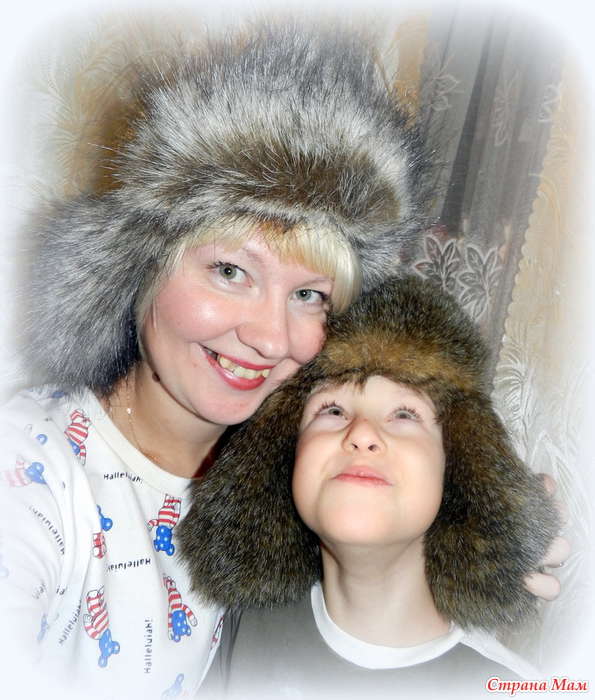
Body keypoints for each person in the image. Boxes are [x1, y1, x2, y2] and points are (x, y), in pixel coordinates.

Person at [0, 16, 565, 700]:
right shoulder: (31, 471)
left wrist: (480, 528)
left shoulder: (294, 471)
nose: (271, 339)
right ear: (141, 265)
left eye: (307, 294)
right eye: (230, 272)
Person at [180, 276, 561, 699]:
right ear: (285, 458)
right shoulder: (235, 629)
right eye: (332, 409)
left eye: (404, 414)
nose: (361, 433)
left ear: (457, 469)